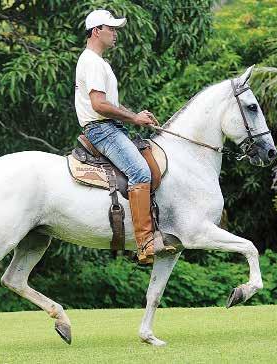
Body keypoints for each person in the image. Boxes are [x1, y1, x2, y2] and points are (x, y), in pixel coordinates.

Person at [74, 9, 174, 264]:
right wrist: (134, 118)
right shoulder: (93, 62)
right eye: (112, 28)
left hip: (109, 127)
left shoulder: (97, 62)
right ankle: (144, 243)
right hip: (102, 129)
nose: (115, 33)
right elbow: (99, 104)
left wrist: (133, 115)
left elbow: (107, 104)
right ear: (97, 31)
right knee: (140, 173)